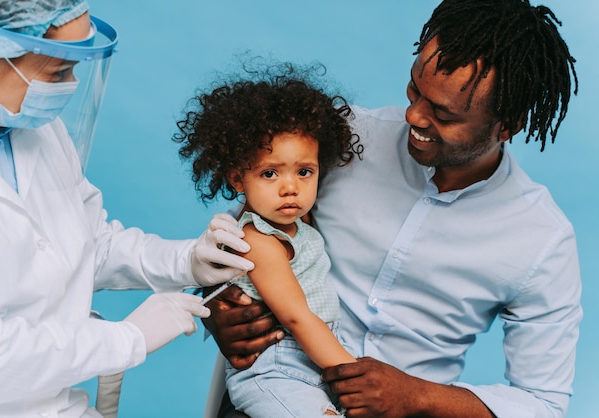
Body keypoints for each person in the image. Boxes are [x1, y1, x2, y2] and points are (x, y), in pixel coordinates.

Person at [199, 0, 583, 417]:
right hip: (273, 391)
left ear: (507, 125)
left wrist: (417, 397)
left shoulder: (542, 239)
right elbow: (250, 228)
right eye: (415, 88)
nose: (414, 115)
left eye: (442, 113)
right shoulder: (339, 140)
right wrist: (217, 301)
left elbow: (543, 404)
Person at [0, 1, 252, 416]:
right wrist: (127, 339)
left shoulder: (34, 130)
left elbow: (86, 243)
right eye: (56, 72)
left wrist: (187, 261)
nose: (69, 84)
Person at [174, 62, 363, 417]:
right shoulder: (257, 239)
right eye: (270, 173)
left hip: (312, 360)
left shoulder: (299, 226)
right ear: (237, 179)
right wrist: (351, 376)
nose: (290, 187)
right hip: (276, 370)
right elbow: (295, 318)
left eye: (304, 172)